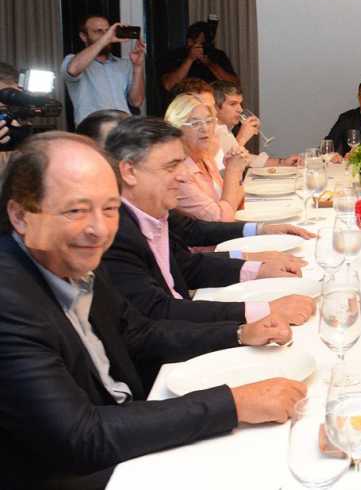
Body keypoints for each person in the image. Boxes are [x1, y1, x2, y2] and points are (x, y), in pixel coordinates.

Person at [0, 132, 305, 489]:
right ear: (20, 216)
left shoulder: (68, 256)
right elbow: (81, 436)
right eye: (76, 210)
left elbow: (139, 333)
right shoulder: (10, 299)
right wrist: (234, 404)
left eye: (110, 208)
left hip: (122, 431)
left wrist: (240, 333)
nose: (99, 229)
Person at [100, 116, 313, 329]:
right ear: (129, 172)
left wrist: (258, 268)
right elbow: (160, 312)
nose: (184, 176)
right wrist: (263, 311)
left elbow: (186, 266)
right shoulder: (115, 235)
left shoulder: (153, 209)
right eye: (171, 167)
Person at [164, 94, 246, 221]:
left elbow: (237, 200)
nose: (205, 128)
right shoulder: (178, 174)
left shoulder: (204, 157)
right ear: (176, 129)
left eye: (209, 121)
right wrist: (232, 172)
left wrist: (232, 169)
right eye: (195, 123)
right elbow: (221, 220)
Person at [62, 16, 146, 125]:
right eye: (99, 31)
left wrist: (138, 66)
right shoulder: (72, 60)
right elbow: (73, 69)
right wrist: (105, 39)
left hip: (123, 127)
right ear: (83, 36)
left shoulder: (124, 64)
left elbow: (136, 102)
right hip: (92, 129)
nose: (106, 35)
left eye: (107, 31)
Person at [212, 80, 299, 167]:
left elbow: (247, 159)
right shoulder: (210, 133)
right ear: (215, 107)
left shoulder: (224, 129)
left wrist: (282, 162)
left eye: (240, 104)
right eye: (233, 104)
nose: (240, 109)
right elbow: (226, 165)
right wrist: (242, 138)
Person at [159, 21, 238, 93]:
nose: (200, 46)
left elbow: (234, 84)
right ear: (189, 41)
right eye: (195, 41)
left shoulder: (216, 55)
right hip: (186, 100)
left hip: (212, 100)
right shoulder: (176, 55)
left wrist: (209, 63)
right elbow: (169, 85)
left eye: (203, 43)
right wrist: (190, 59)